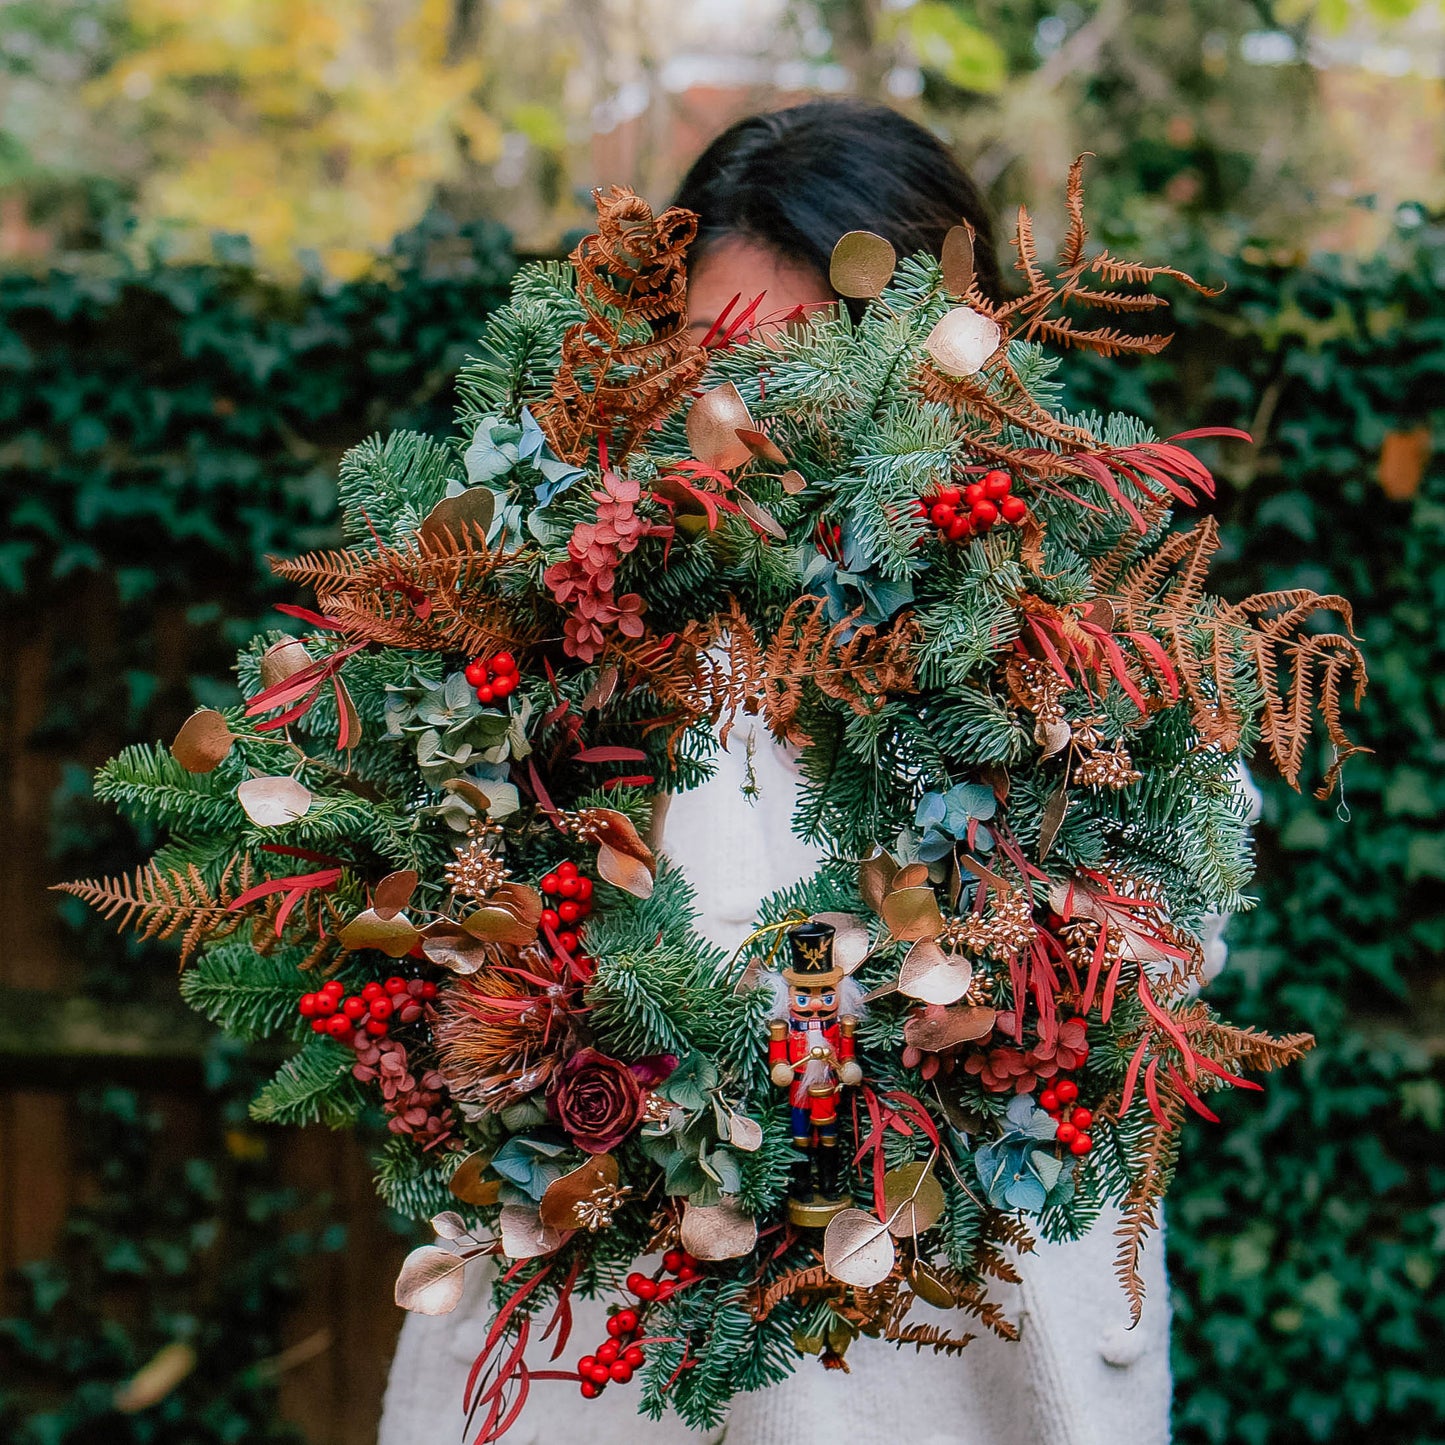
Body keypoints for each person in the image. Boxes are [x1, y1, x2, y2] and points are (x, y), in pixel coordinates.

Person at [378, 98, 1174, 1445]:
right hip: (607, 1368)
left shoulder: (1049, 606)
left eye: (813, 359)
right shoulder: (567, 613)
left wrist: (1042, 974)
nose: (752, 414)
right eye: (716, 356)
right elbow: (443, 926)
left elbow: (1178, 897)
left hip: (949, 1362)